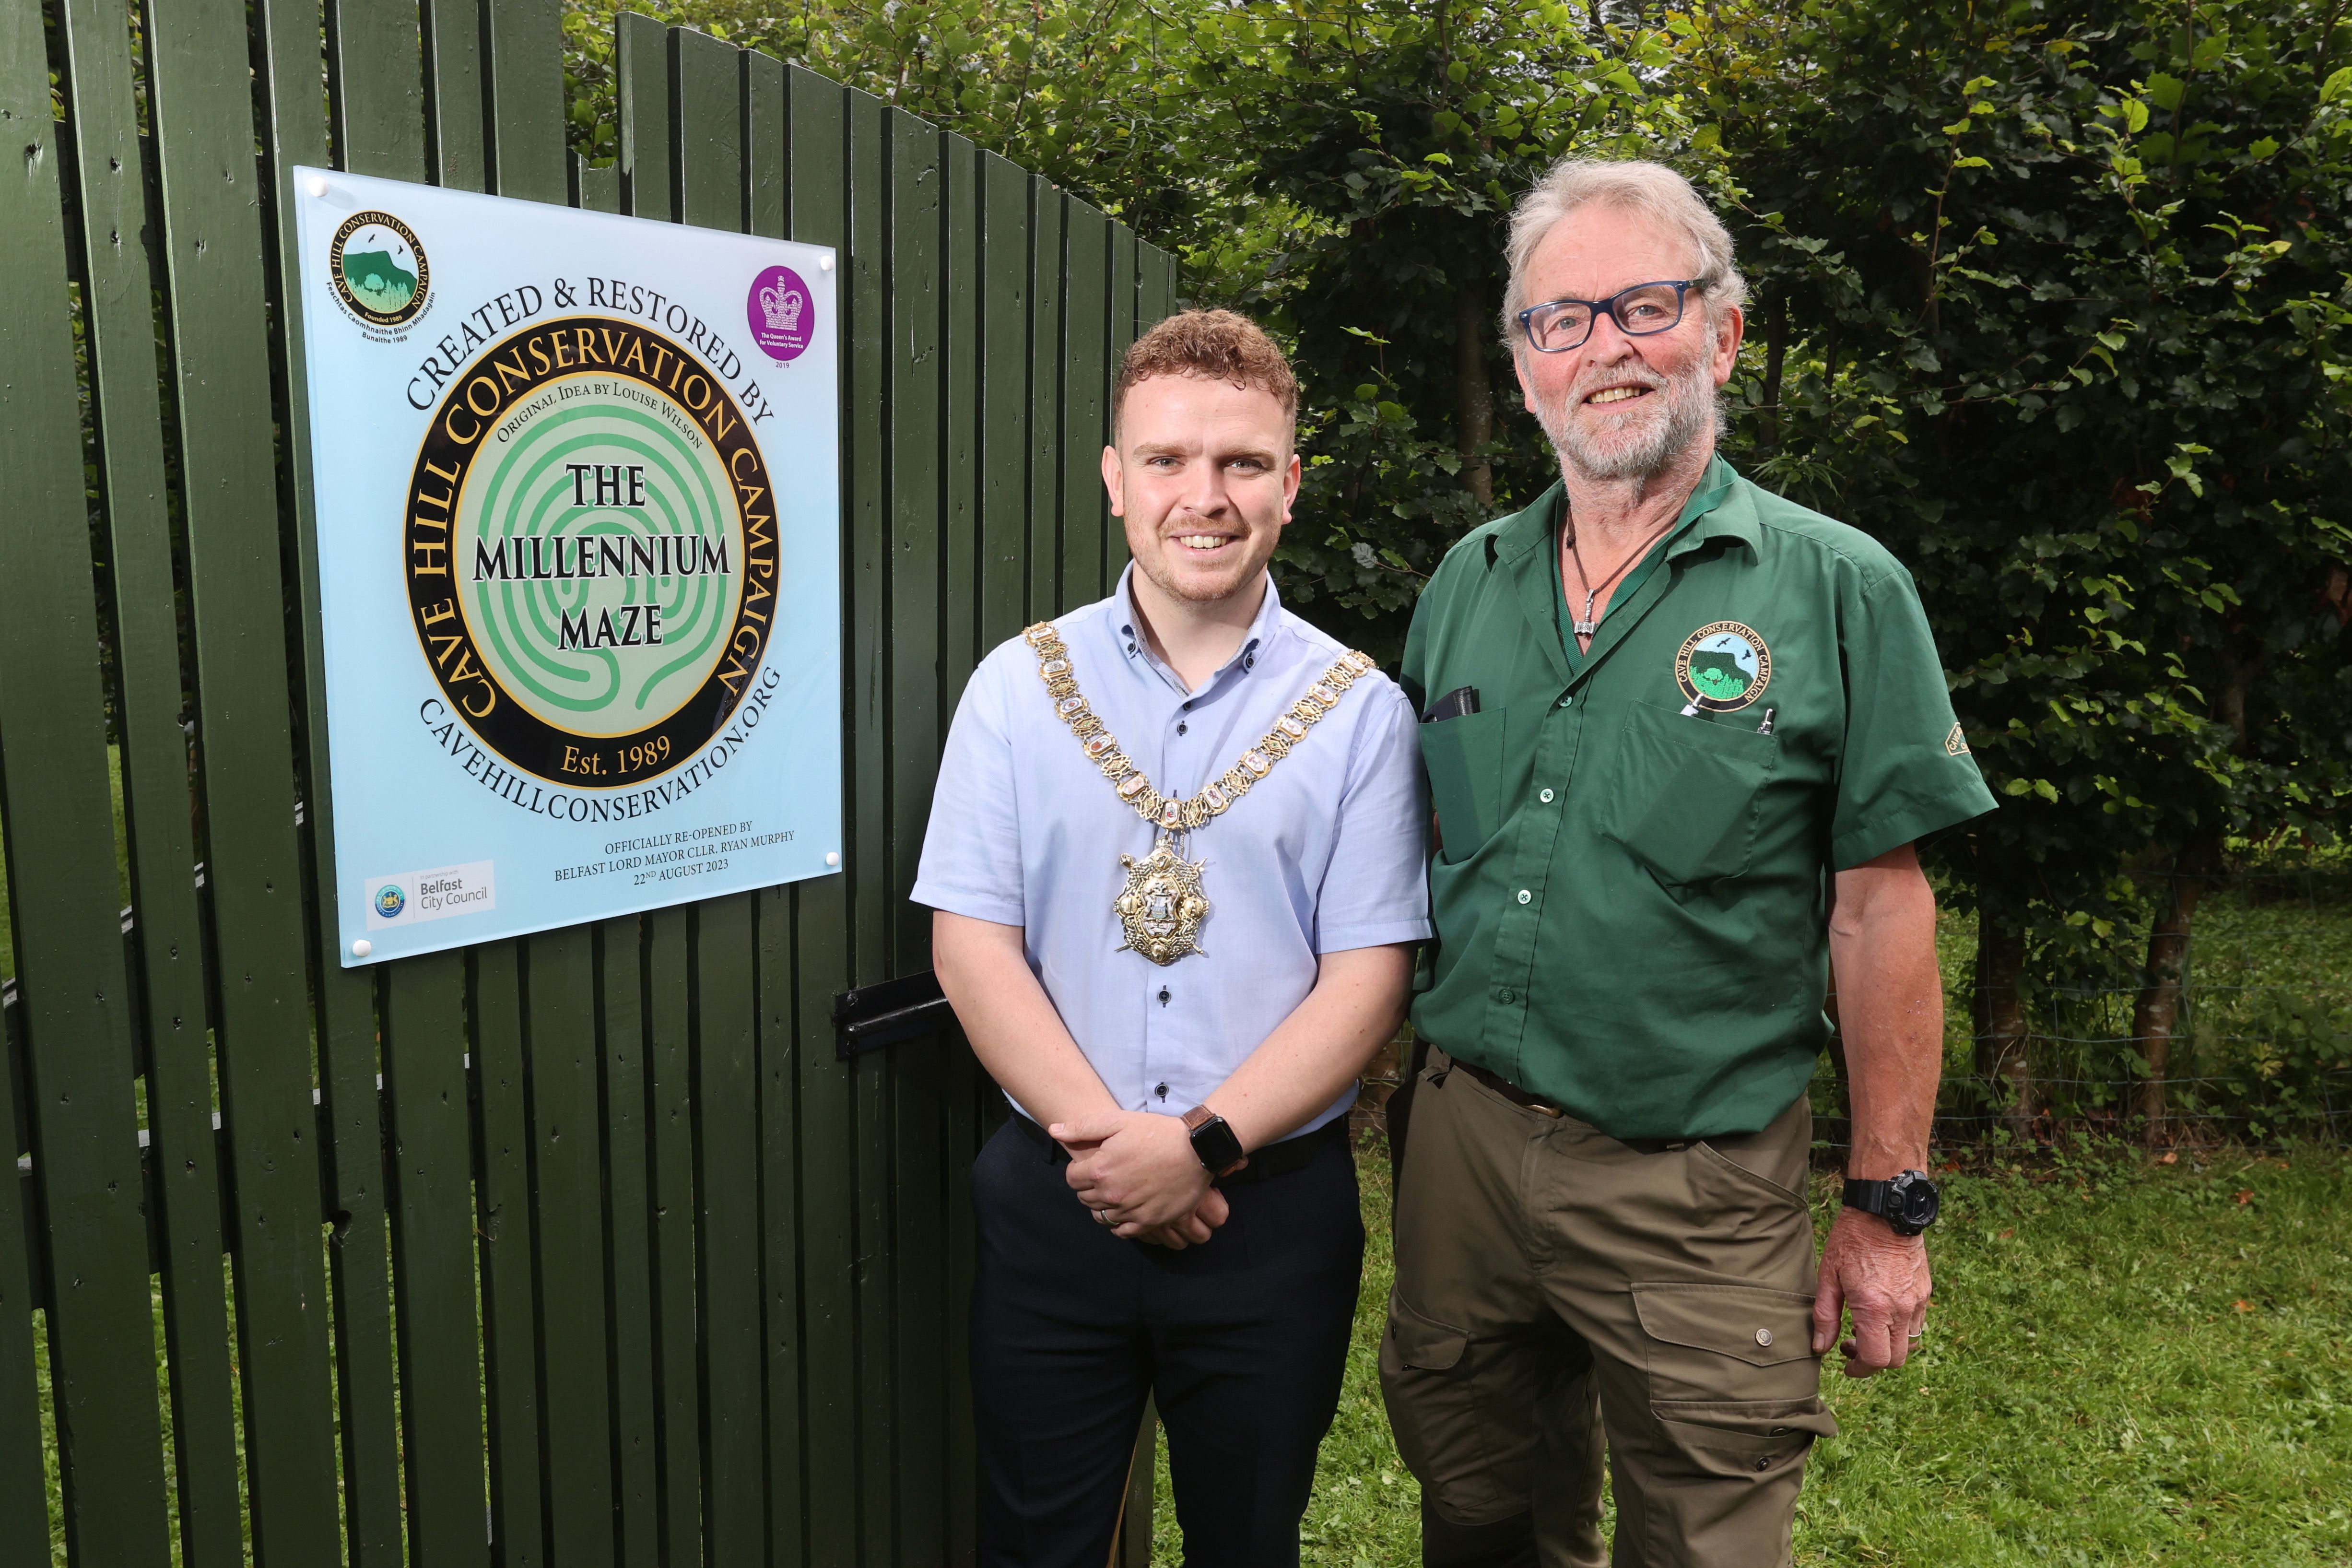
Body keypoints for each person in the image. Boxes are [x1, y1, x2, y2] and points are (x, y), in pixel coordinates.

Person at [1380, 156, 1999, 1568]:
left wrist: (1888, 1206)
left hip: (1697, 1192)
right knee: (1477, 1519)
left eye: (1642, 304)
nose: (1604, 346)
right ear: (1526, 367)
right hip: (1464, 1162)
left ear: (1722, 331)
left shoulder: (1838, 589)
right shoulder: (1465, 586)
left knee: (1705, 1545)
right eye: (1561, 320)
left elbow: (1881, 905)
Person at [914, 308, 1430, 1566]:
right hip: (1059, 1203)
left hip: (1270, 1220)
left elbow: (1370, 978)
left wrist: (1198, 1147)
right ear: (1115, 480)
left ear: (1291, 485)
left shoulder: (1360, 714)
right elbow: (972, 941)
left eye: (1243, 463)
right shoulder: (1017, 691)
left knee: (1245, 1546)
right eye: (1168, 461)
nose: (1205, 497)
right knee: (1038, 1544)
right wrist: (1116, 1154)